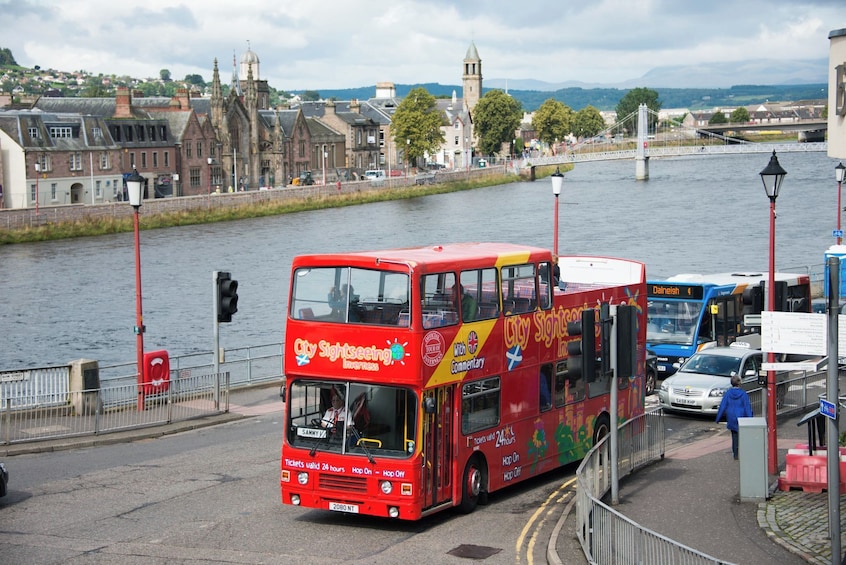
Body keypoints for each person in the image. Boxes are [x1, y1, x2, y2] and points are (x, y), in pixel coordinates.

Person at [715, 375, 753, 460]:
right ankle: (743, 453)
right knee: (743, 436)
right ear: (739, 383)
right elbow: (747, 407)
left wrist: (718, 418)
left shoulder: (728, 393)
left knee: (734, 436)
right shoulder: (743, 394)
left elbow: (723, 406)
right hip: (742, 416)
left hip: (731, 416)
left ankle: (735, 454)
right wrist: (750, 419)